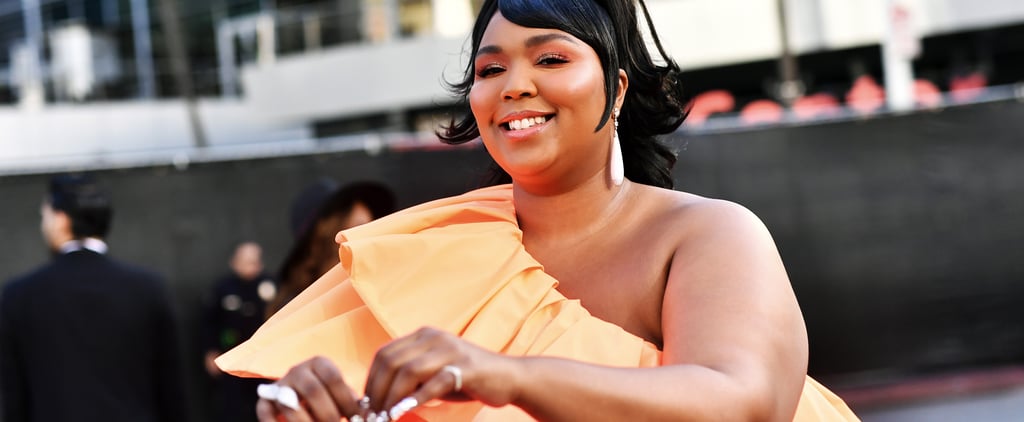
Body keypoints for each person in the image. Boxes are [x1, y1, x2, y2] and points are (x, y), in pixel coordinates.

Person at [217, 0, 859, 421]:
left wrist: (507, 376)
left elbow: (742, 404)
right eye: (490, 68)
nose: (514, 84)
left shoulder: (708, 234)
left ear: (617, 88)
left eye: (551, 58)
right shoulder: (428, 250)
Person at [0, 174, 187, 421]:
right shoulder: (149, 289)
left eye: (44, 216)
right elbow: (172, 390)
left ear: (60, 219)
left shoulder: (19, 295)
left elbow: (14, 398)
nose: (43, 225)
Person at [268, 179, 396, 317]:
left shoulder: (382, 292)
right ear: (324, 235)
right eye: (357, 228)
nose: (368, 238)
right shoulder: (294, 312)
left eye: (371, 227)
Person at [203, 241, 277, 421]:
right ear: (235, 262)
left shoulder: (271, 286)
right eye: (245, 260)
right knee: (232, 407)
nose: (250, 265)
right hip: (231, 355)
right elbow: (210, 322)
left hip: (263, 358)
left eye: (254, 261)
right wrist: (210, 350)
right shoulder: (223, 288)